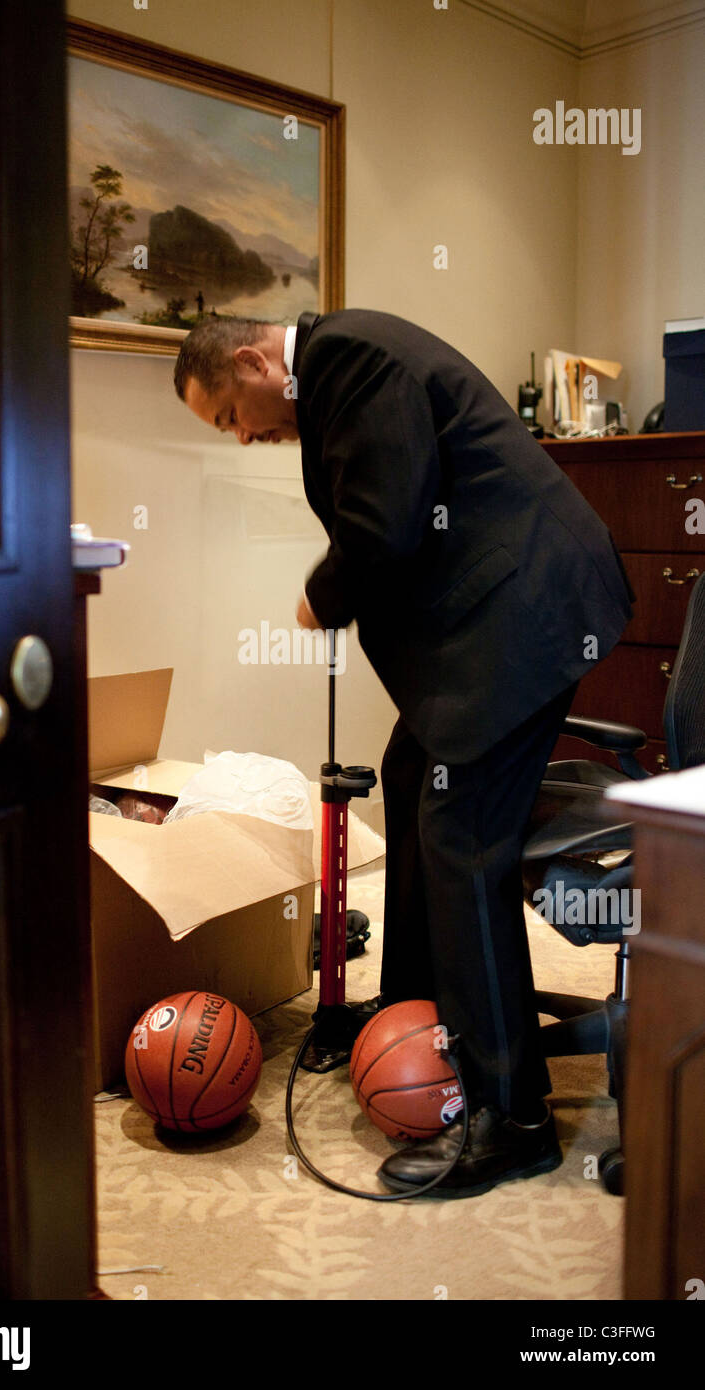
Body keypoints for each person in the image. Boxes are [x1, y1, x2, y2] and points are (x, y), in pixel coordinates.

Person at [173, 309, 636, 1198]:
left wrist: (321, 593)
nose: (244, 434)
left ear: (251, 360)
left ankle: (513, 1120)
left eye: (232, 411)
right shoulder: (342, 370)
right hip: (505, 619)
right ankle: (422, 1023)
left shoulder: (349, 360)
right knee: (409, 774)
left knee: (461, 837)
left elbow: (386, 525)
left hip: (531, 615)